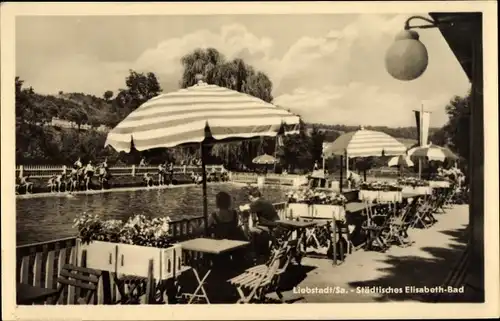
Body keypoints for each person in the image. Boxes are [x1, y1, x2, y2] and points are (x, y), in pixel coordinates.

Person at [247, 187, 280, 259]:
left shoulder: (258, 202)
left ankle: (255, 252)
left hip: (270, 225)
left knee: (249, 231)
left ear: (251, 196)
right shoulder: (263, 201)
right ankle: (260, 251)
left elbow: (246, 208)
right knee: (256, 230)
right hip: (275, 224)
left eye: (249, 197)